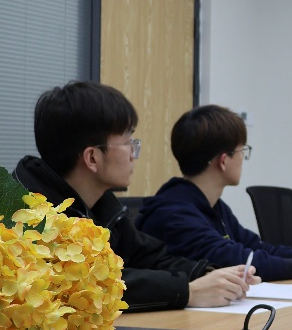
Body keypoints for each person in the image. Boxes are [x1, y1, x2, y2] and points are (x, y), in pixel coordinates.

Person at [14, 82, 256, 311]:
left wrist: (210, 274)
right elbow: (88, 285)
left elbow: (151, 258)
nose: (134, 154)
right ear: (92, 158)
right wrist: (187, 291)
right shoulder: (30, 216)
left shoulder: (102, 206)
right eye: (128, 142)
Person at [136, 105, 292, 280]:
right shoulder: (174, 213)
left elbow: (255, 247)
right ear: (224, 161)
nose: (243, 158)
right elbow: (237, 260)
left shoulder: (213, 205)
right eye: (242, 150)